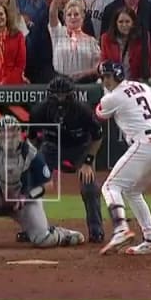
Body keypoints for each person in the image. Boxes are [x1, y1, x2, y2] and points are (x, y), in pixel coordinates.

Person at [0, 115, 87, 249]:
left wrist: (26, 197)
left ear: (19, 133)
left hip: (26, 201)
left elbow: (48, 185)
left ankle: (63, 234)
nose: (9, 137)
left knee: (43, 239)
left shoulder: (31, 153)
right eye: (4, 133)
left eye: (12, 132)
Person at [94, 60, 151, 256]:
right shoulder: (142, 86)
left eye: (108, 77)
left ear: (118, 76)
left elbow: (100, 115)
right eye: (103, 77)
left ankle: (121, 229)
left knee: (110, 186)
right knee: (133, 192)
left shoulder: (111, 98)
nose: (105, 81)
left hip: (145, 144)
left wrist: (109, 95)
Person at [27, 74, 105, 243]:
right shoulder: (40, 110)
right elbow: (32, 139)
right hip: (51, 147)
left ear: (72, 95)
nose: (60, 99)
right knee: (30, 183)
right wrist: (32, 163)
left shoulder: (82, 110)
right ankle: (31, 227)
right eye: (57, 95)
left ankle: (96, 229)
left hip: (80, 148)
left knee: (89, 187)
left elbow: (98, 136)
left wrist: (88, 162)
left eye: (64, 95)